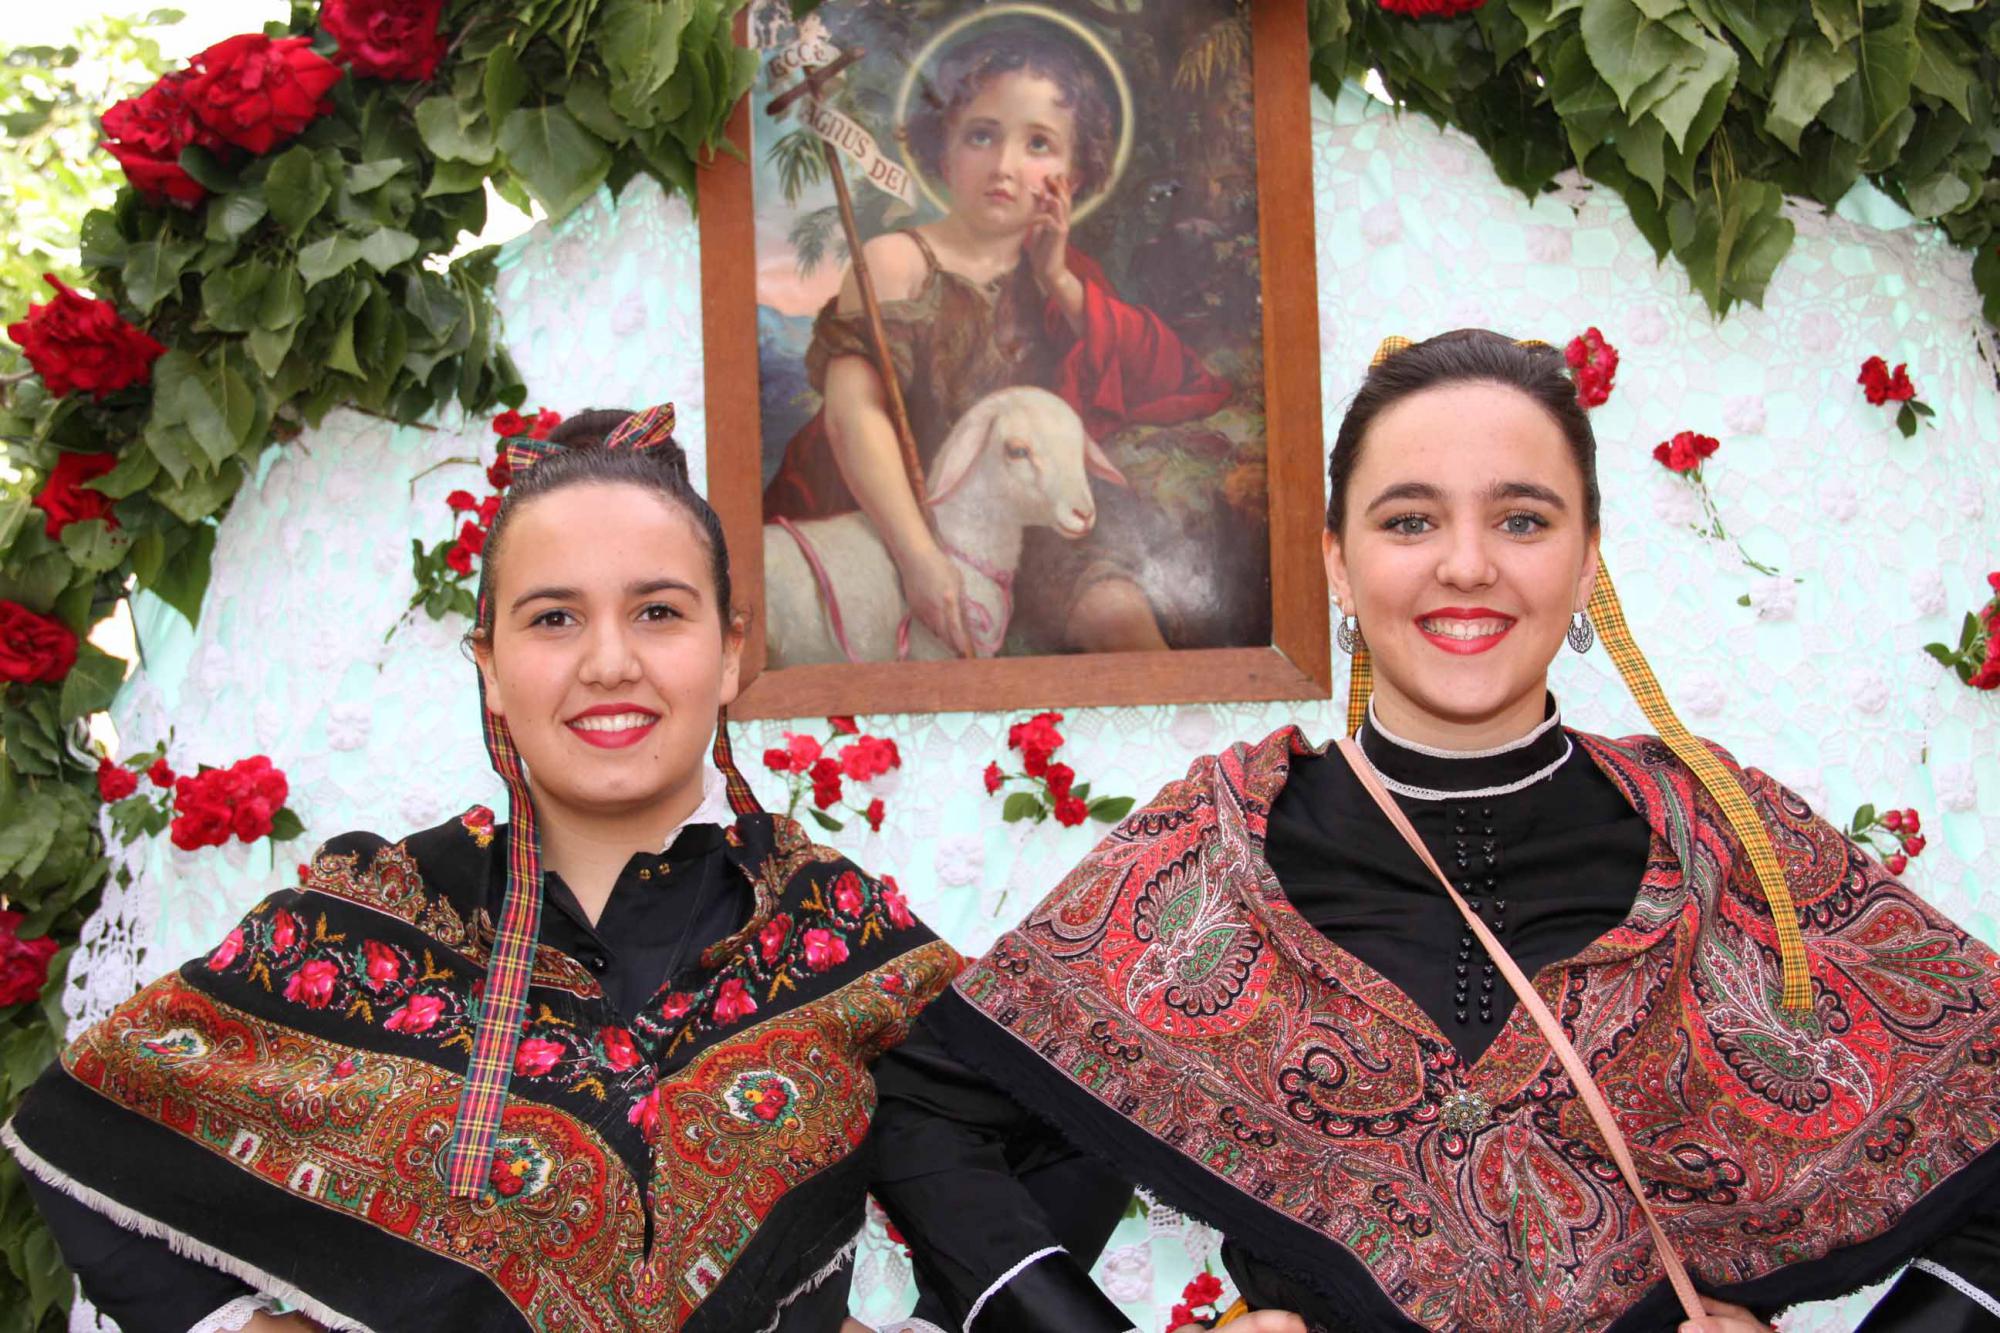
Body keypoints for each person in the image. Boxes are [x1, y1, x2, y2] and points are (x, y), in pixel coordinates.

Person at [868, 331, 2000, 1333]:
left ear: (1587, 558)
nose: (1466, 564)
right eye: (1409, 519)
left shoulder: (1721, 840)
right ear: (1337, 561)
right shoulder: (1217, 854)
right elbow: (928, 1110)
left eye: (1521, 519)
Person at [6, 408, 961, 1332]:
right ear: (491, 665)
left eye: (658, 611)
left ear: (729, 651)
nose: (609, 661)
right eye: (554, 617)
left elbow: (1018, 1143)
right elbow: (87, 1122)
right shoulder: (374, 917)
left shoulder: (833, 926)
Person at [764, 26, 1232, 658]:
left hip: (1029, 522)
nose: (1005, 166)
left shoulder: (1063, 276)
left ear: (1074, 173)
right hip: (894, 516)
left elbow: (1169, 376)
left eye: (1038, 144)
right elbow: (854, 417)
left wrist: (1057, 280)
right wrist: (919, 557)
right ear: (943, 150)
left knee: (1122, 622)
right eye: (982, 135)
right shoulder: (896, 264)